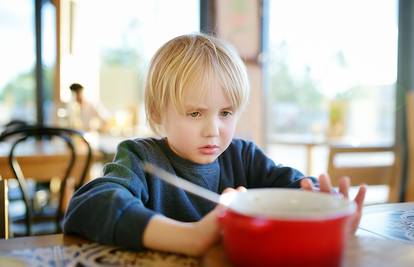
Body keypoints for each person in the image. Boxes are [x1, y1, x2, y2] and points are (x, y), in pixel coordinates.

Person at [63, 33, 366, 256]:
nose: (213, 130)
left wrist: (323, 208)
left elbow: (291, 185)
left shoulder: (242, 156)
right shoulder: (141, 157)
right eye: (195, 113)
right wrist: (190, 237)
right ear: (157, 113)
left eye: (226, 113)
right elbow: (88, 206)